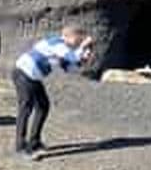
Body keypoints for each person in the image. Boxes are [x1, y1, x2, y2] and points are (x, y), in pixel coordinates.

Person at [12, 27, 94, 159]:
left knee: (43, 106)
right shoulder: (56, 43)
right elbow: (72, 56)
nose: (77, 42)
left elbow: (69, 67)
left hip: (32, 77)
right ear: (68, 36)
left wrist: (83, 60)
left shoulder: (62, 49)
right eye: (77, 39)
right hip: (23, 74)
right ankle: (20, 147)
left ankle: (34, 142)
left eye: (79, 40)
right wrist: (83, 47)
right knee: (25, 109)